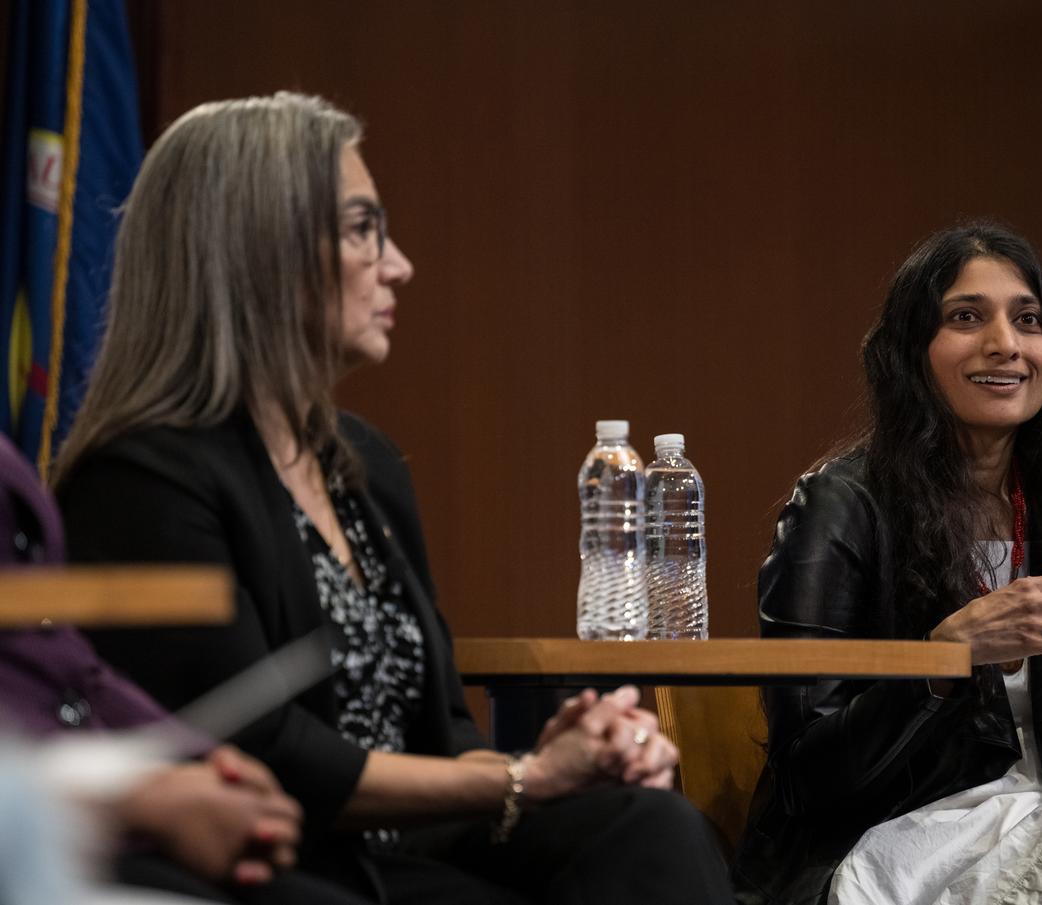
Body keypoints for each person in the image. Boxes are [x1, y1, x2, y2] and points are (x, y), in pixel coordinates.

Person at [53, 92, 732, 905]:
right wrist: (526, 773)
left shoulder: (363, 462)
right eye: (362, 228)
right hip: (261, 861)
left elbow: (444, 741)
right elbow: (254, 748)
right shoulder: (143, 478)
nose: (398, 263)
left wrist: (562, 762)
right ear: (257, 249)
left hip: (402, 854)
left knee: (650, 825)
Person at [733, 223, 1042, 905]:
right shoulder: (841, 506)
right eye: (967, 317)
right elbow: (809, 779)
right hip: (886, 849)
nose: (1006, 344)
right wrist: (942, 658)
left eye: (1028, 320)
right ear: (913, 352)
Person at [0, 430, 370, 904]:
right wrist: (140, 800)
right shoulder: (146, 471)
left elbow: (70, 664)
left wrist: (198, 765)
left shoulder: (358, 454)